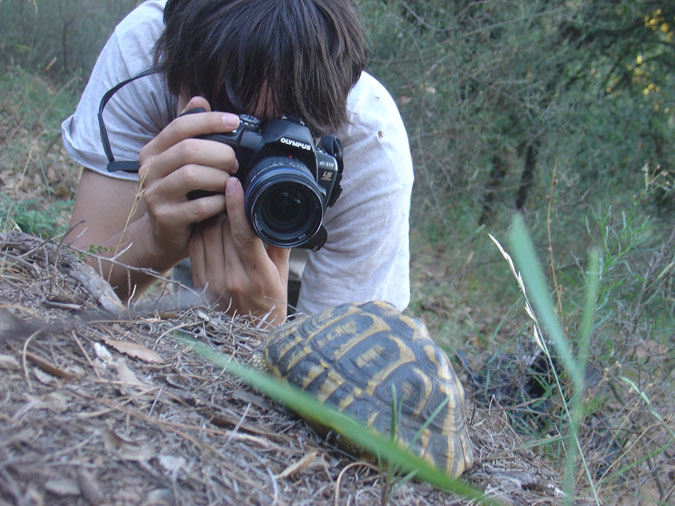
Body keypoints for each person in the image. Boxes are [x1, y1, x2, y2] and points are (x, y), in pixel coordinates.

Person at [62, 0, 413, 326]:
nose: (249, 168)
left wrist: (262, 328)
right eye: (237, 128)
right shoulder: (145, 56)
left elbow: (330, 379)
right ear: (175, 78)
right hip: (177, 204)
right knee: (194, 310)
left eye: (287, 128)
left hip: (299, 249)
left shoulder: (371, 146)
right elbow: (69, 286)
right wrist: (155, 241)